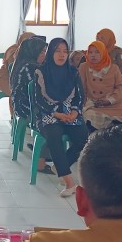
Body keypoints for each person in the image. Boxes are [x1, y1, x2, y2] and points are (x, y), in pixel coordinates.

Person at [33, 38, 90, 197]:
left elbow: (80, 96)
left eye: (65, 51)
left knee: (83, 138)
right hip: (48, 114)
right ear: (51, 52)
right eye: (57, 51)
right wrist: (55, 113)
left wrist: (75, 112)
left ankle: (59, 165)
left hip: (69, 113)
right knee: (54, 135)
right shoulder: (41, 72)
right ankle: (69, 182)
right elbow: (38, 100)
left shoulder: (73, 72)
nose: (62, 55)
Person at [9, 36, 54, 175]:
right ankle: (41, 161)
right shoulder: (31, 67)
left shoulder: (22, 63)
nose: (45, 55)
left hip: (21, 104)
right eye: (42, 52)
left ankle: (42, 150)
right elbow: (40, 91)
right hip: (26, 106)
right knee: (53, 119)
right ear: (34, 52)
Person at [79, 41, 122, 130]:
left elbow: (121, 87)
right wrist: (84, 102)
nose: (93, 55)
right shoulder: (84, 67)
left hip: (114, 105)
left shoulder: (114, 68)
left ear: (103, 53)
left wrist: (109, 100)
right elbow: (80, 87)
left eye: (97, 52)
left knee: (118, 128)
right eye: (90, 52)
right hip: (93, 104)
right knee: (89, 118)